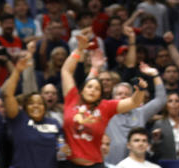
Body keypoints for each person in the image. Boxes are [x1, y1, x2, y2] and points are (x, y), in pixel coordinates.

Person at [62, 28, 146, 167]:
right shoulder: (72, 98)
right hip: (69, 164)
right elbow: (66, 71)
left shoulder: (105, 106)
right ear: (82, 90)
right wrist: (79, 50)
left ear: (101, 95)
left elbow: (133, 101)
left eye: (97, 89)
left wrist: (141, 90)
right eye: (89, 87)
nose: (93, 90)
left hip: (95, 164)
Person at [2, 45, 60, 168]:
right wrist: (17, 71)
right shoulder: (19, 119)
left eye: (39, 103)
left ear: (45, 107)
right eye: (31, 103)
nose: (36, 106)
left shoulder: (54, 123)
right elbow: (7, 94)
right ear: (24, 107)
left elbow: (62, 149)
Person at [104, 63, 166, 164]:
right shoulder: (106, 112)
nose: (123, 96)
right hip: (111, 164)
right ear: (112, 98)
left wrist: (155, 75)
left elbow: (161, 100)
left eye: (127, 94)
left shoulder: (141, 113)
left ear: (133, 97)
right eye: (119, 94)